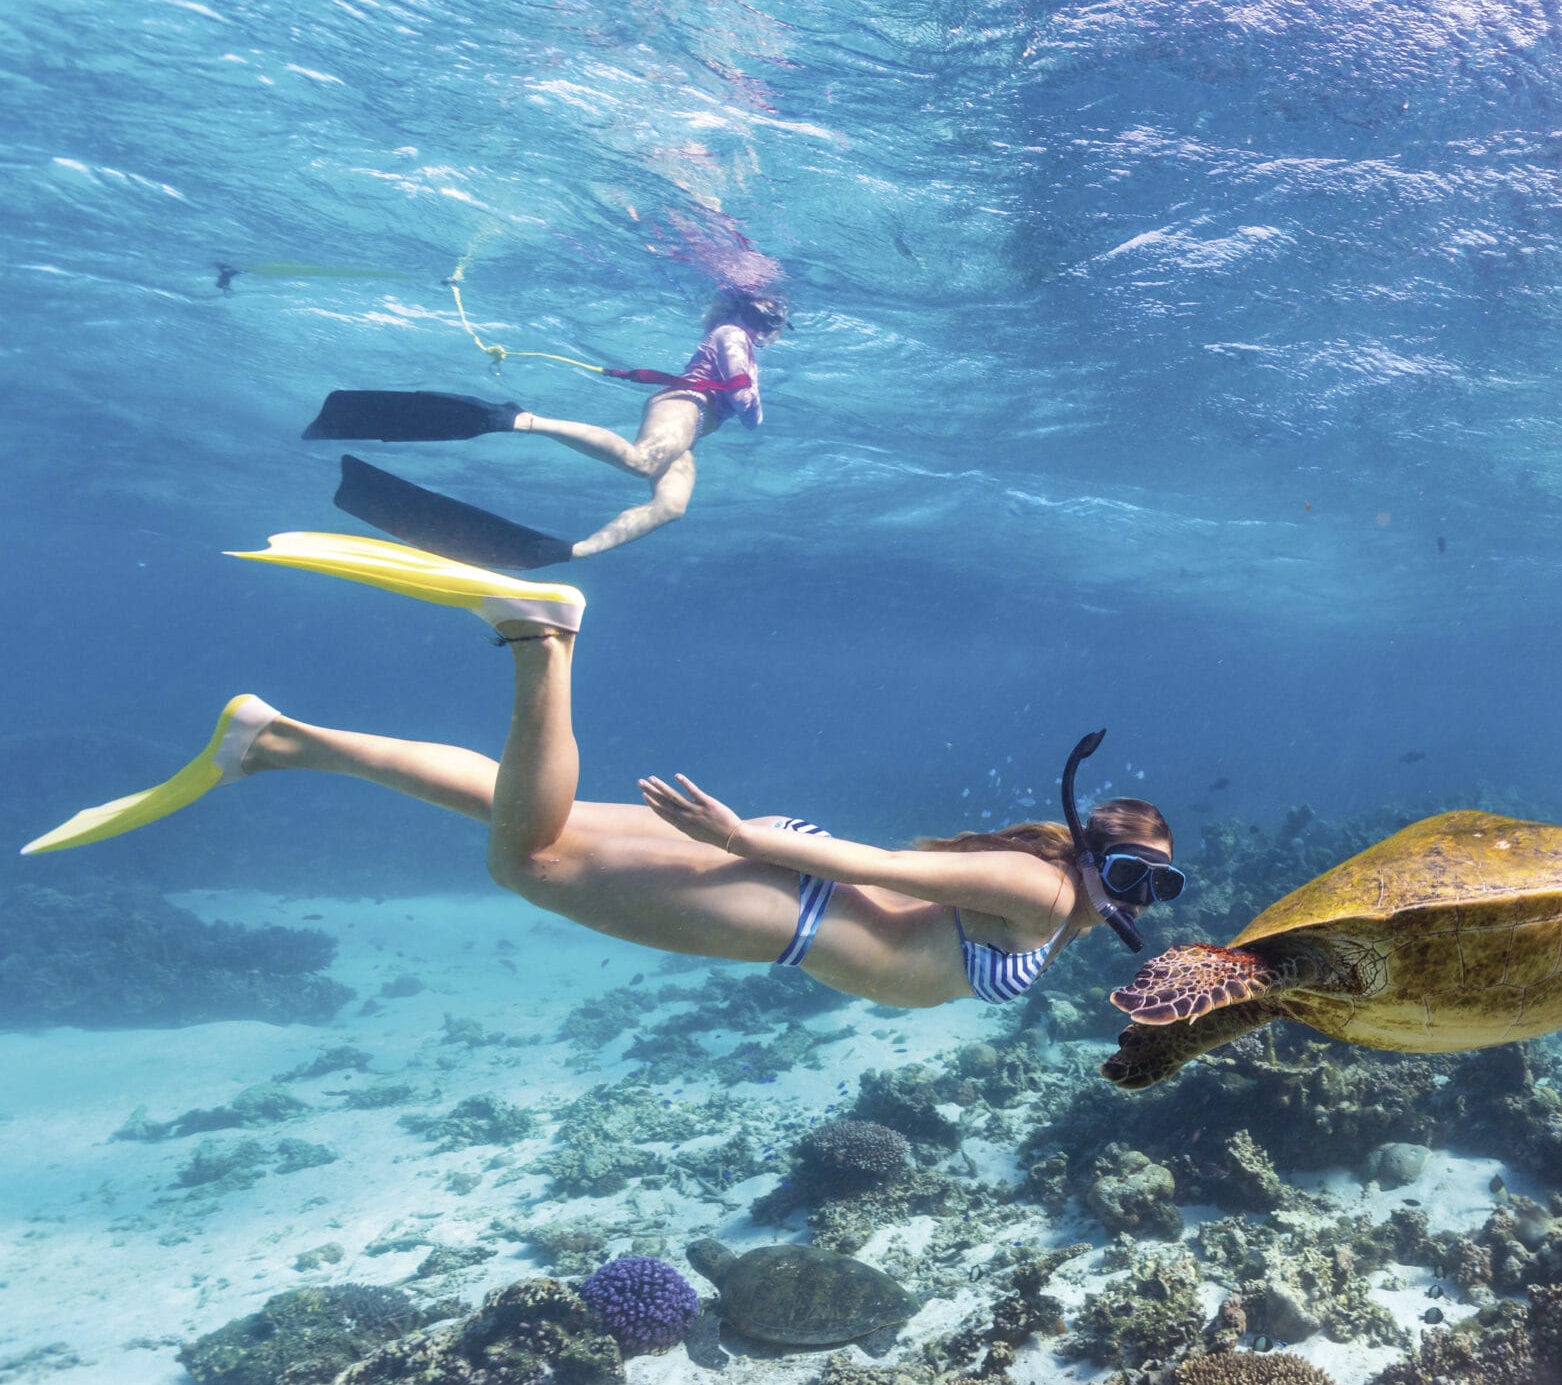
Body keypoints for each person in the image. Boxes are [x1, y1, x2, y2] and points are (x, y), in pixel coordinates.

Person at [19, 534, 1182, 1009]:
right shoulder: (1043, 893)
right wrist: (744, 845)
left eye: (1153, 889)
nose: (1132, 897)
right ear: (1090, 851)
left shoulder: (1048, 886)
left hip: (782, 879)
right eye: (1131, 872)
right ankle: (542, 638)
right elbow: (869, 862)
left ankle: (277, 740)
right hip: (778, 897)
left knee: (518, 806)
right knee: (528, 863)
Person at [305, 293, 789, 565]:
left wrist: (745, 405)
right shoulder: (731, 335)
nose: (773, 329)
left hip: (699, 424)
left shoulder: (743, 339)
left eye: (778, 323)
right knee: (640, 460)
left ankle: (574, 550)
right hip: (685, 405)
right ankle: (520, 419)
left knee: (671, 506)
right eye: (770, 318)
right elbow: (743, 396)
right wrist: (750, 408)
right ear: (748, 313)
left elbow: (744, 396)